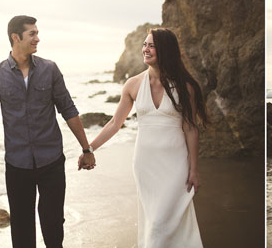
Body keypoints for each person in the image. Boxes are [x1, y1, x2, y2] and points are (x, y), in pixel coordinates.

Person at [0, 15, 96, 248]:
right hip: (17, 165)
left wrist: (86, 148)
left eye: (36, 33)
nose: (37, 38)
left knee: (53, 228)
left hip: (51, 161)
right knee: (21, 234)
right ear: (15, 37)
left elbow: (68, 109)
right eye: (32, 34)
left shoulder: (49, 69)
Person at [87, 28, 206, 247]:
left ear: (165, 50)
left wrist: (194, 169)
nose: (146, 49)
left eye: (152, 45)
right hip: (146, 166)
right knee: (155, 222)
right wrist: (89, 148)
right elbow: (115, 123)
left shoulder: (185, 86)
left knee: (164, 223)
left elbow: (191, 128)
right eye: (144, 44)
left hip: (175, 165)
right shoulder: (133, 85)